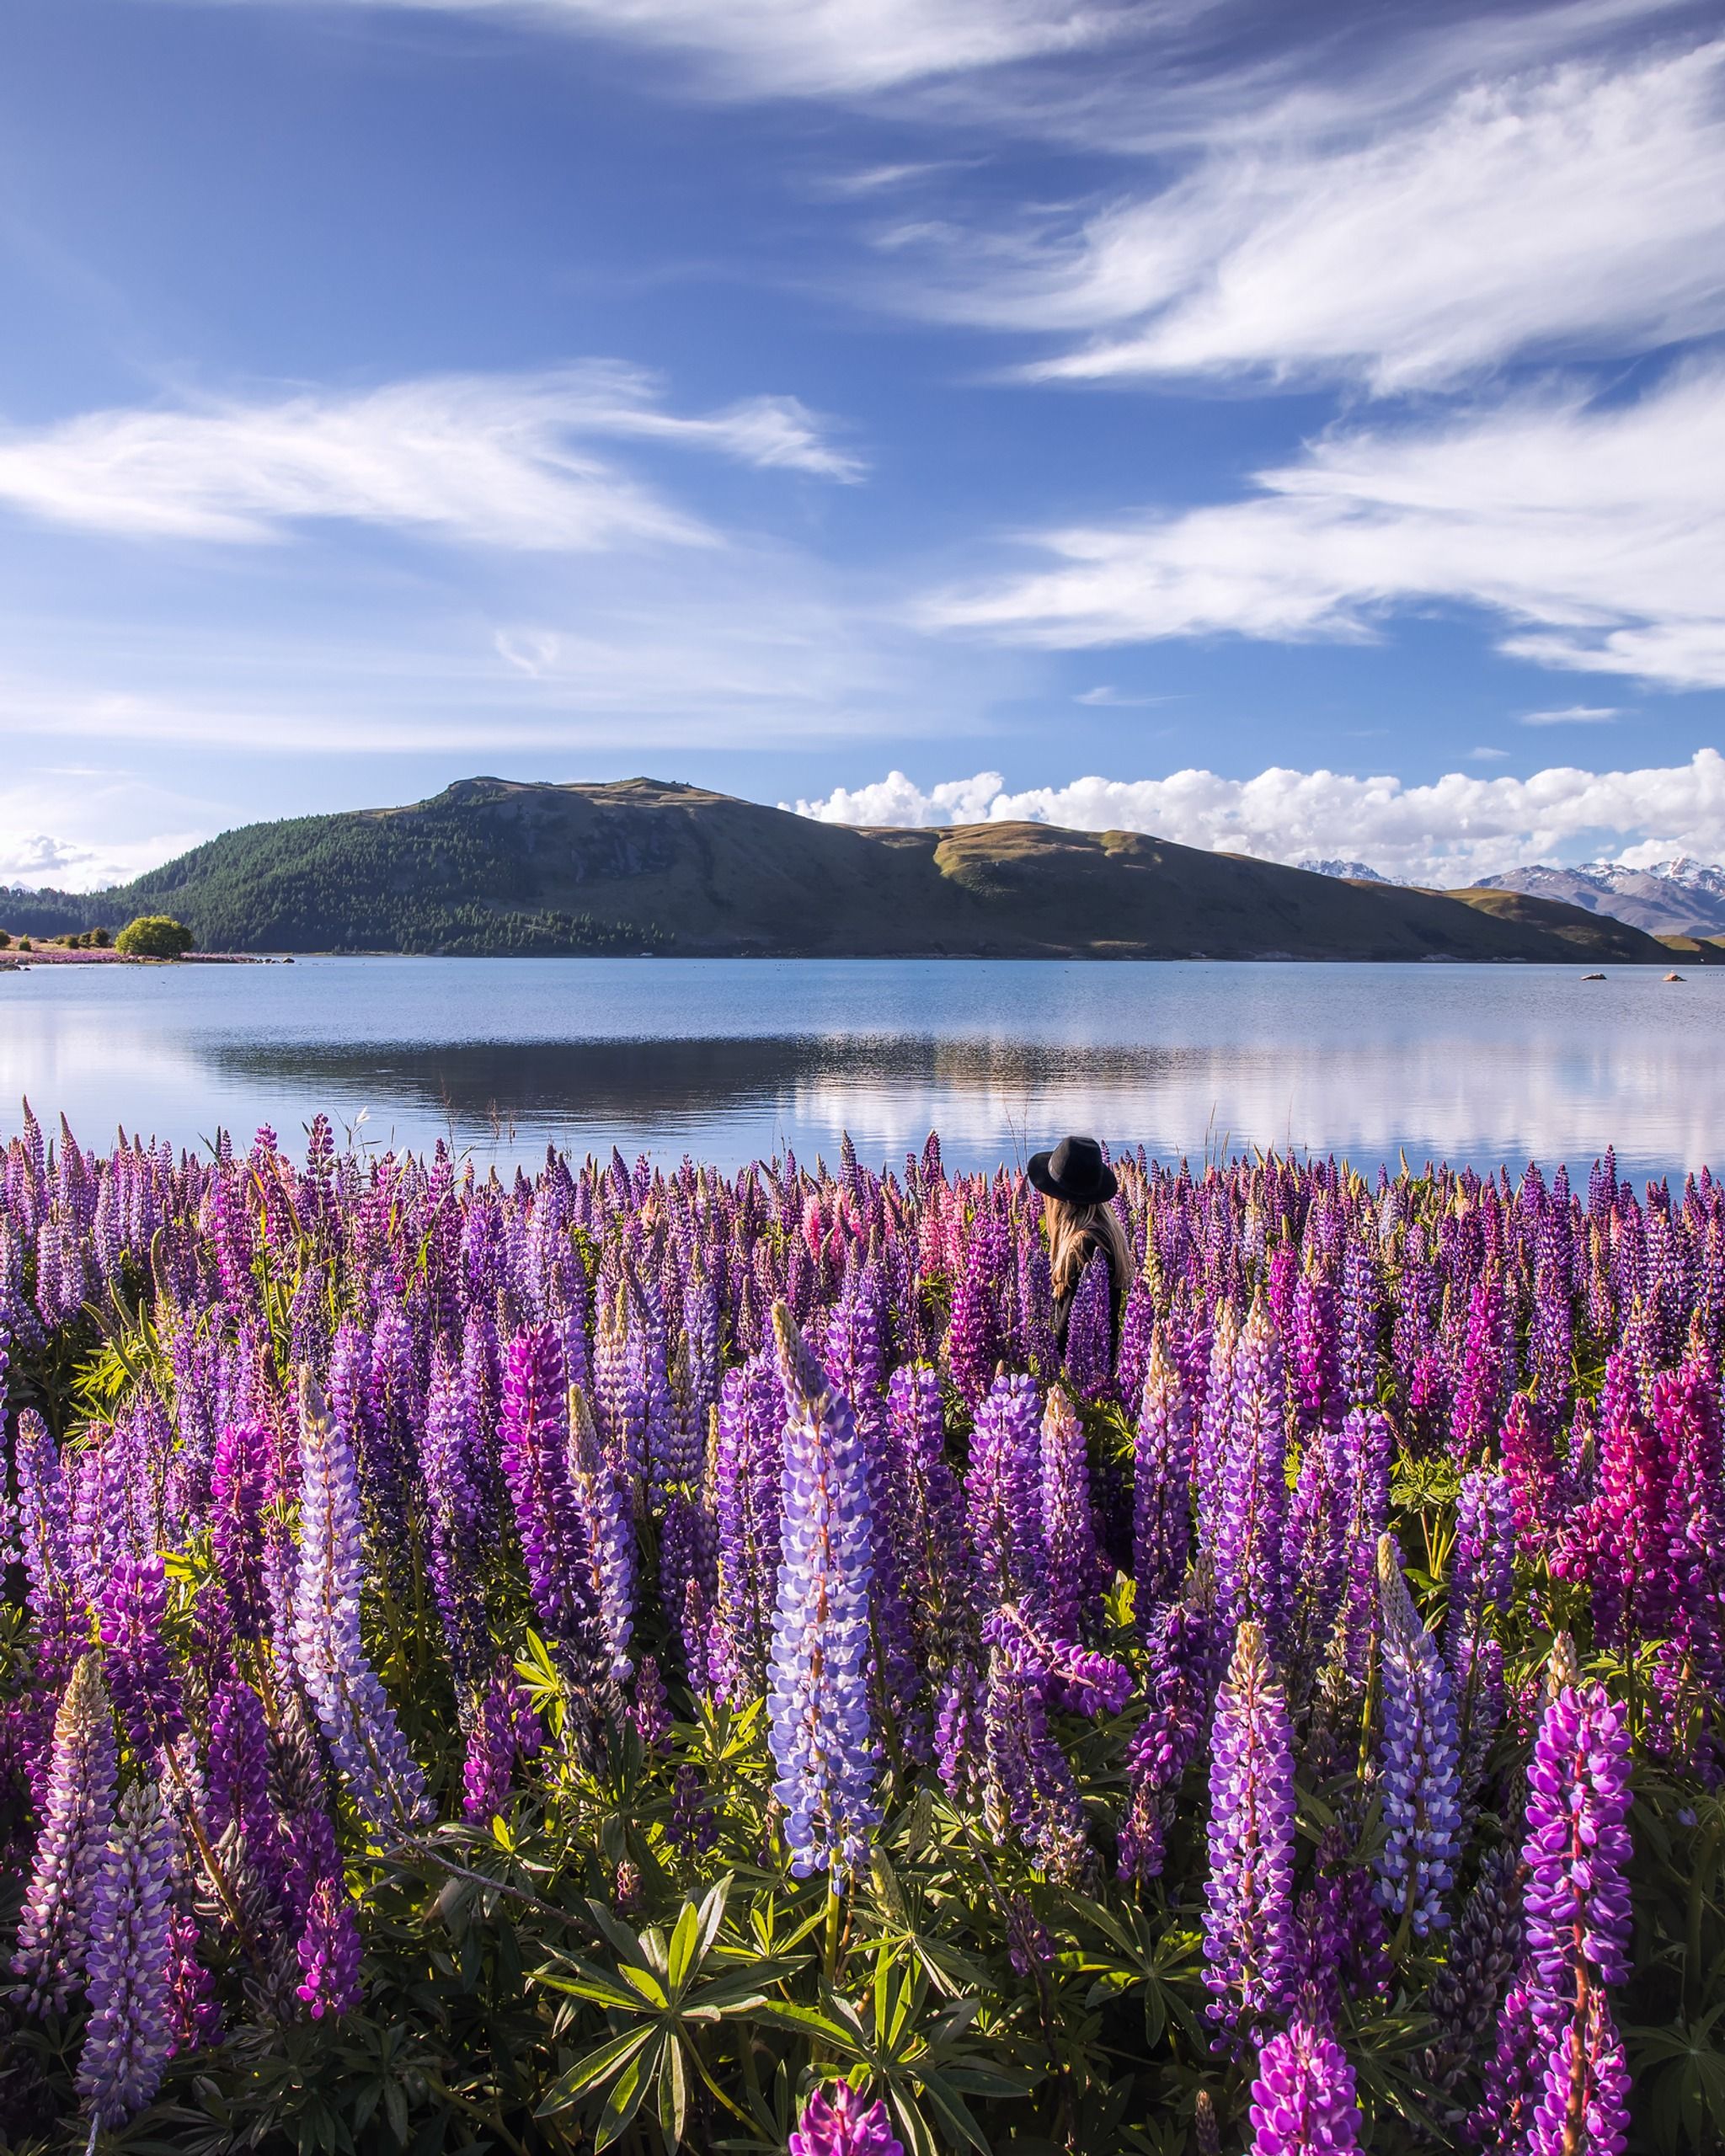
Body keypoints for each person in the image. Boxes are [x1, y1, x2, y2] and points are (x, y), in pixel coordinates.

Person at [1027, 1134, 1130, 1352]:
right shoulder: (1106, 1234)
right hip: (1101, 1365)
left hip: (1084, 1371)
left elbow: (1068, 1333)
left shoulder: (1083, 1246)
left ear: (1058, 1200)